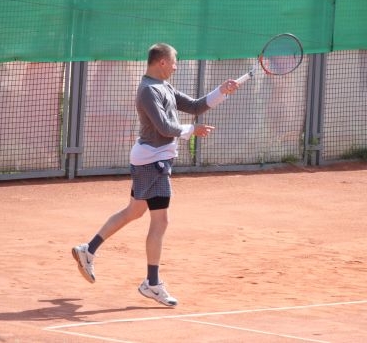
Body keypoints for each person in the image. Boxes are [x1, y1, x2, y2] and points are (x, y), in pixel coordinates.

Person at [72, 43, 241, 306]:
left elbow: (196, 106)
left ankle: (88, 249)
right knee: (160, 221)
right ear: (162, 62)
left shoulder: (164, 87)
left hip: (152, 160)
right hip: (153, 161)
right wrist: (191, 130)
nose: (176, 66)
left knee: (134, 211)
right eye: (174, 62)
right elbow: (164, 127)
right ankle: (152, 283)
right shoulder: (148, 91)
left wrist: (221, 91)